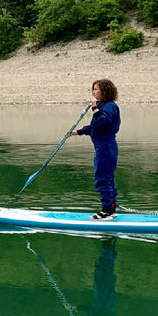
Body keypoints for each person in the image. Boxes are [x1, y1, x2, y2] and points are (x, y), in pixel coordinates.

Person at [67, 78, 120, 218]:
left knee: (103, 178)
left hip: (106, 147)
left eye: (96, 89)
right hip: (103, 147)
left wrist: (94, 107)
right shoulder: (104, 107)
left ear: (104, 91)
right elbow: (95, 127)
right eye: (93, 89)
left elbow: (102, 122)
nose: (93, 91)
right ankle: (111, 209)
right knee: (107, 178)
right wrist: (77, 132)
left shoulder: (109, 107)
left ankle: (106, 211)